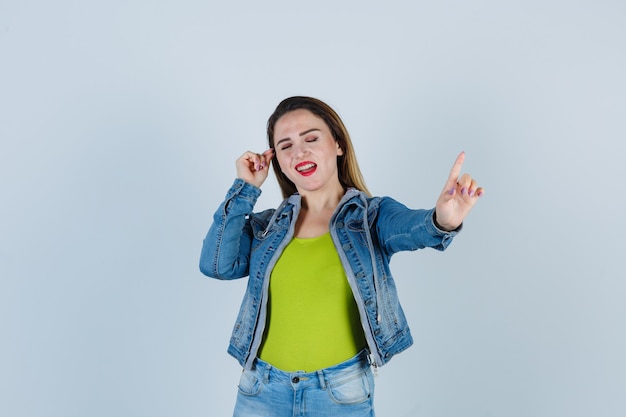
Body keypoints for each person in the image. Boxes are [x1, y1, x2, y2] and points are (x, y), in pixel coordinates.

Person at [199, 96, 484, 417]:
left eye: (311, 138)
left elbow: (416, 228)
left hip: (339, 394)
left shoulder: (371, 217)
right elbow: (216, 265)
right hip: (261, 392)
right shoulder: (266, 227)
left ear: (337, 144)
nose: (300, 152)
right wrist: (245, 188)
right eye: (286, 146)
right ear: (276, 159)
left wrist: (443, 219)